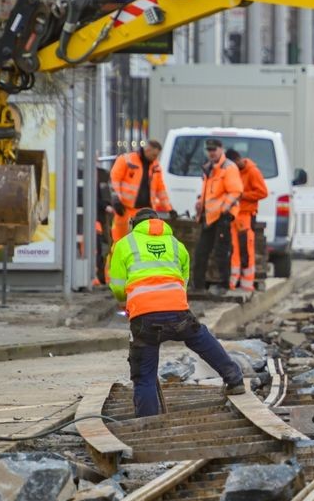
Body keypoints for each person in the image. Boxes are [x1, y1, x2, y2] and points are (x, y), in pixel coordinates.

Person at [109, 208, 246, 417]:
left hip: (144, 317)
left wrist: (124, 303)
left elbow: (118, 286)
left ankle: (148, 424)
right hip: (177, 311)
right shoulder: (176, 245)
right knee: (199, 336)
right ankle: (234, 378)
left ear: (134, 224)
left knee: (144, 375)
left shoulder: (124, 245)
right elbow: (183, 282)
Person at [193, 139, 242, 291]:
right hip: (209, 217)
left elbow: (236, 191)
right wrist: (200, 203)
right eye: (209, 150)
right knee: (201, 252)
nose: (211, 152)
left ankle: (224, 284)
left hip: (222, 217)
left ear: (221, 149)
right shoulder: (209, 168)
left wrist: (224, 209)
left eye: (214, 149)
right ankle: (198, 285)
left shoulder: (228, 167)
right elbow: (209, 192)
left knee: (222, 252)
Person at [109, 140, 172, 245]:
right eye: (154, 155)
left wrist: (169, 209)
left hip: (145, 212)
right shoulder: (127, 160)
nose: (155, 158)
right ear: (147, 150)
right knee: (119, 242)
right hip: (125, 209)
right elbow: (114, 180)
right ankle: (114, 261)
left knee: (142, 244)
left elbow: (160, 189)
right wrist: (116, 199)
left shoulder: (155, 166)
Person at [226, 149, 268, 292]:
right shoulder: (235, 171)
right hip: (235, 215)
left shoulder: (252, 172)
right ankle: (233, 282)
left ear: (238, 160)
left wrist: (242, 195)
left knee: (245, 249)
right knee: (234, 250)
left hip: (246, 215)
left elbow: (262, 192)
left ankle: (246, 284)